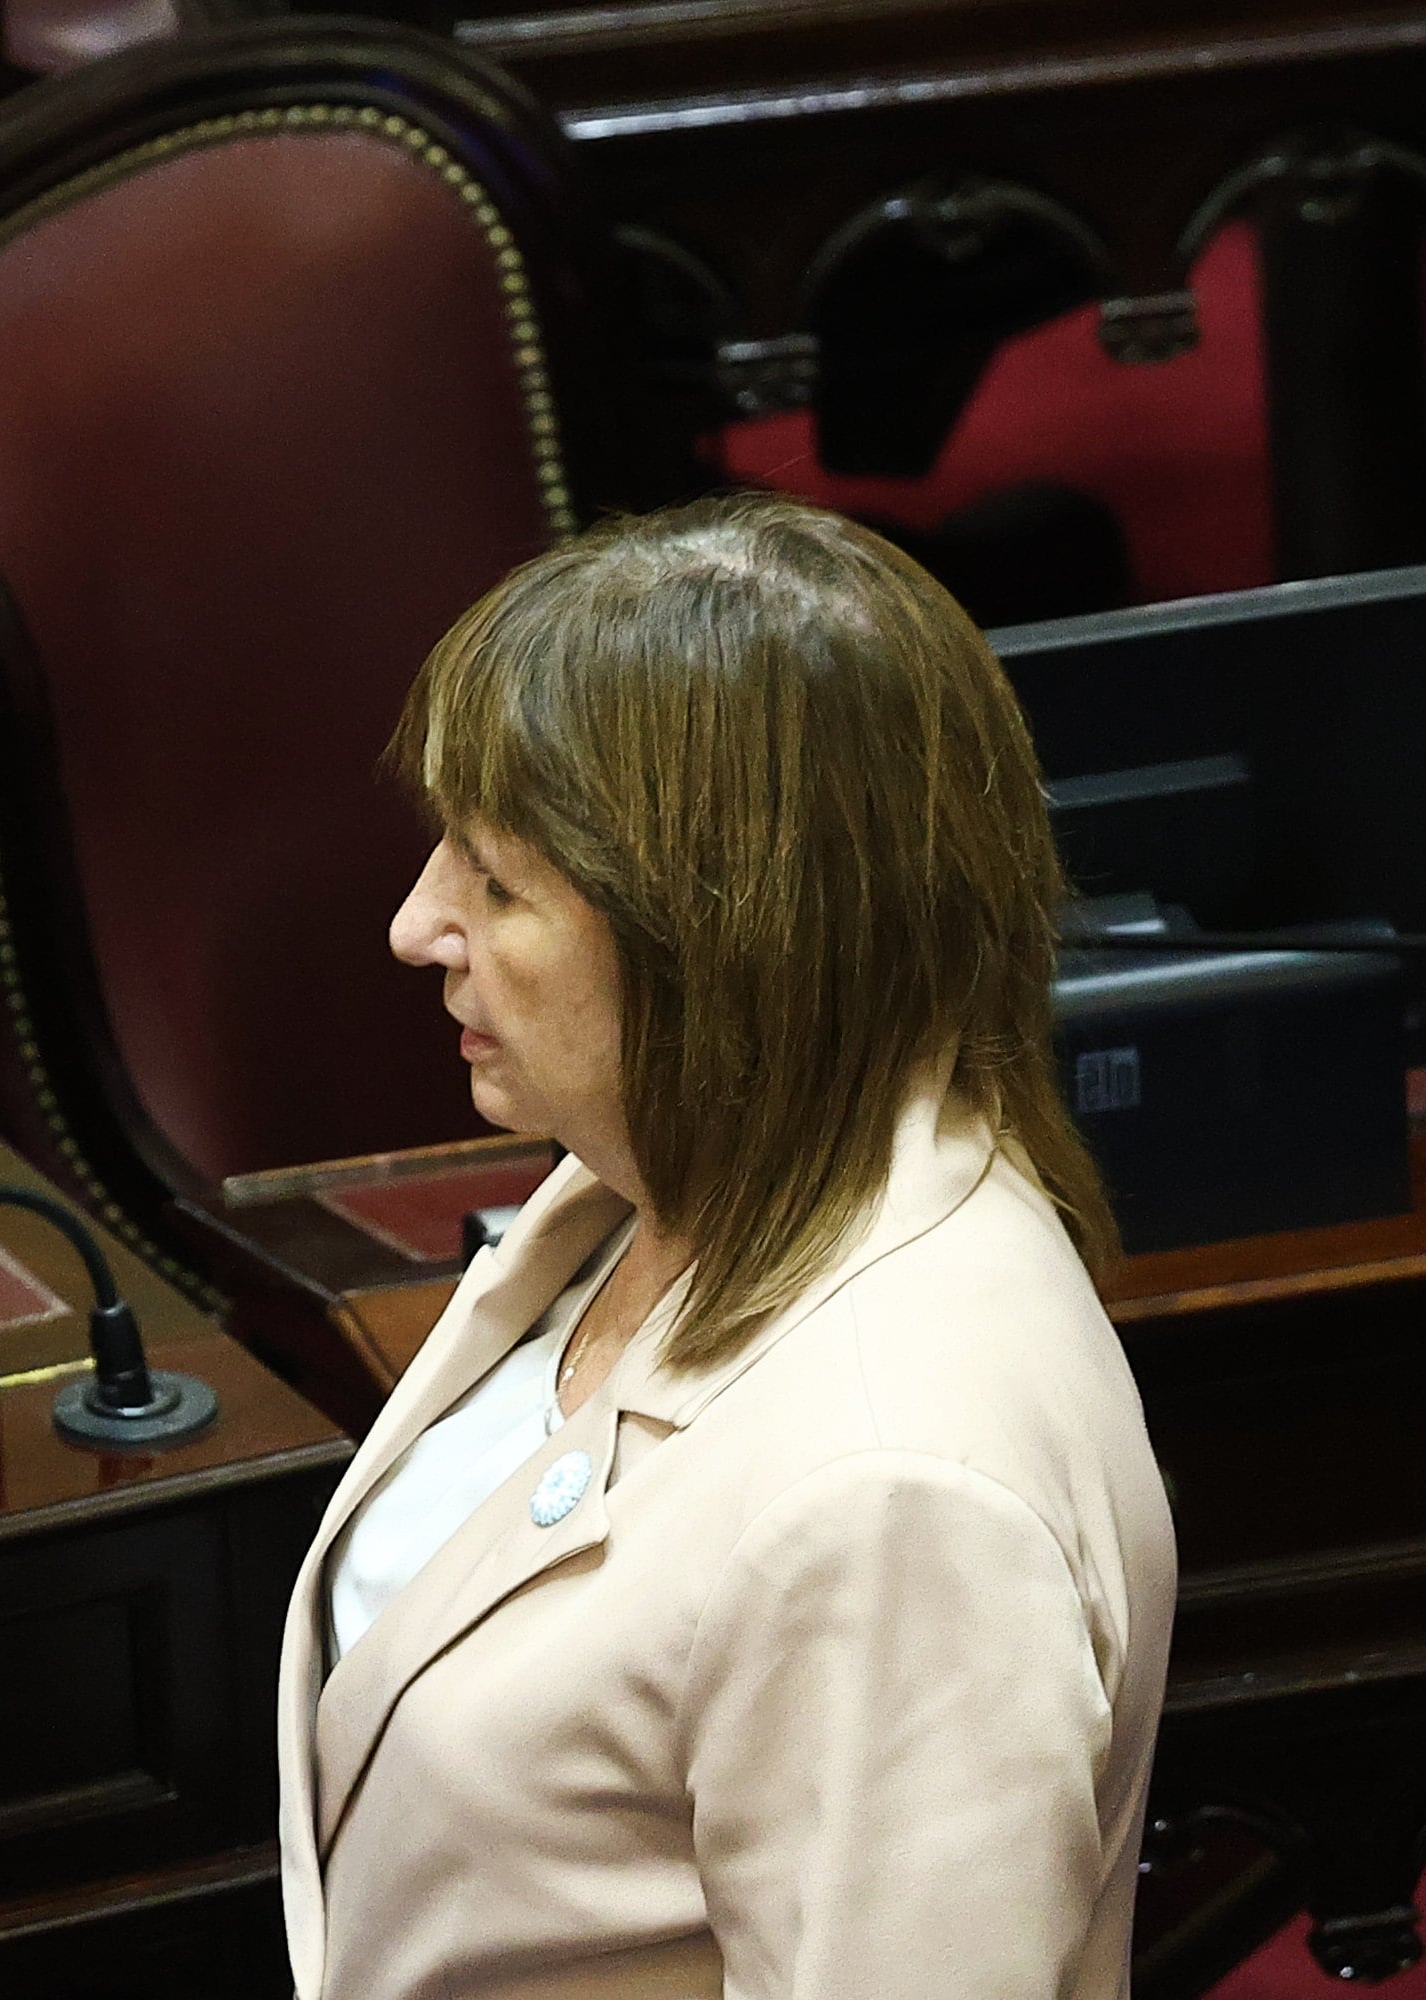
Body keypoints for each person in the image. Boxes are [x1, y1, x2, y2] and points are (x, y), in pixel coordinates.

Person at [276, 494, 1176, 2000]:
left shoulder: (898, 1496)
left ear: (731, 935)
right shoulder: (658, 1183)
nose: (414, 924)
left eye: (498, 882)